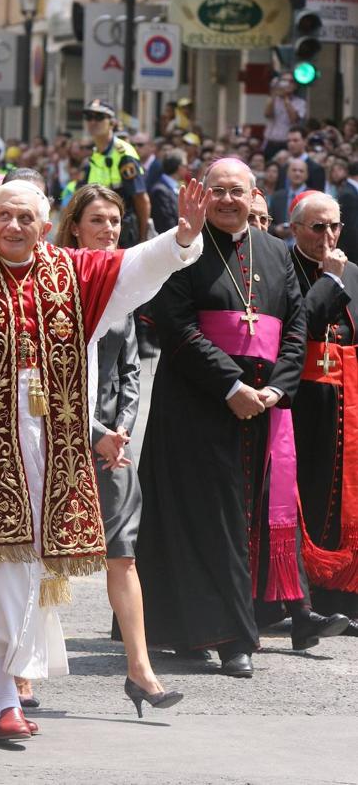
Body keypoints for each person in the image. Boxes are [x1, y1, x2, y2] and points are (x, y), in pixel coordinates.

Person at [0, 125, 207, 739]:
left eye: (26, 217)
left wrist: (181, 238)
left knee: (23, 572)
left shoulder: (72, 273)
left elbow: (133, 267)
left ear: (43, 222)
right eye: (3, 215)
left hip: (47, 453)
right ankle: (4, 695)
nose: (12, 226)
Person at [134, 158, 346, 678]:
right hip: (196, 404)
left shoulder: (274, 253)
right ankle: (232, 637)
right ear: (202, 194)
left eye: (237, 191)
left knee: (252, 520)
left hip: (263, 407)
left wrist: (275, 388)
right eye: (217, 190)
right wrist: (231, 386)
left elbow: (296, 328)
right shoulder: (181, 247)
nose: (227, 199)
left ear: (256, 197)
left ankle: (235, 622)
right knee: (212, 519)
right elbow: (176, 327)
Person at [55, 184, 183, 716]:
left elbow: (132, 371)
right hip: (62, 433)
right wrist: (93, 432)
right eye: (99, 221)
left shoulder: (123, 284)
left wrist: (120, 433)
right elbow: (51, 373)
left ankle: (141, 670)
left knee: (123, 553)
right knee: (44, 560)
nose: (110, 230)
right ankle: (19, 676)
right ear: (75, 227)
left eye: (116, 221)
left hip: (115, 446)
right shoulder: (56, 280)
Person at [290, 192, 358, 635]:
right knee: (302, 499)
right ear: (294, 229)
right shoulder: (282, 269)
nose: (327, 236)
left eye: (334, 227)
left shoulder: (352, 272)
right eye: (318, 227)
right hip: (299, 407)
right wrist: (329, 281)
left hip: (345, 408)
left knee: (342, 504)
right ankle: (301, 603)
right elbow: (304, 325)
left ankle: (342, 601)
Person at [77, 99, 150, 245]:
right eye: (89, 117)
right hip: (97, 231)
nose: (92, 122)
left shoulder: (124, 154)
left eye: (99, 117)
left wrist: (142, 238)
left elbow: (141, 199)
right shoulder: (95, 154)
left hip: (121, 232)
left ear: (112, 122)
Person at [263, 72, 306, 160]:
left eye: (291, 81)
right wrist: (275, 94)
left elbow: (294, 119)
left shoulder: (300, 103)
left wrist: (286, 98)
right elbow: (267, 114)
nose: (288, 84)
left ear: (295, 85)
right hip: (271, 142)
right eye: (284, 81)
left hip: (287, 143)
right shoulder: (273, 99)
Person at [269, 157, 308, 241]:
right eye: (294, 170)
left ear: (307, 175)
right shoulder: (277, 196)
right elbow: (267, 221)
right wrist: (276, 229)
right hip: (280, 245)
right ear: (288, 173)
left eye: (301, 171)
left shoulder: (313, 197)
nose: (297, 173)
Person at [150, 151, 185, 234]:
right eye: (186, 166)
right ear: (180, 168)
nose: (188, 168)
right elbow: (166, 226)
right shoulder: (160, 191)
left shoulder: (176, 187)